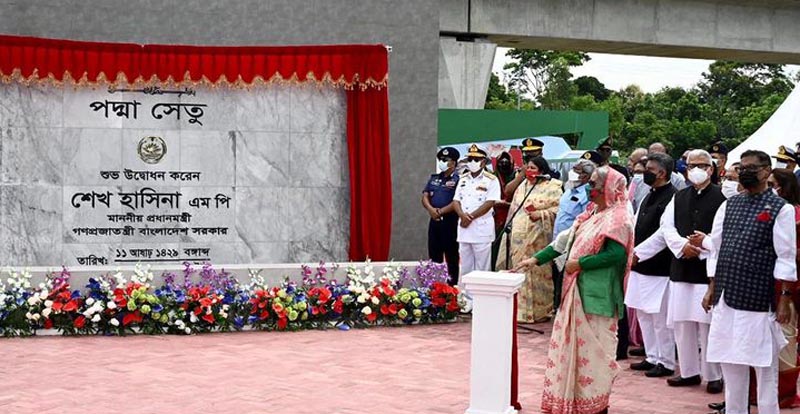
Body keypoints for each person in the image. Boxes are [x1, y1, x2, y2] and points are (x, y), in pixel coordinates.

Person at [514, 166, 633, 414]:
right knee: (575, 356)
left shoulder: (618, 218)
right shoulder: (590, 213)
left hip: (598, 296)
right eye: (589, 184)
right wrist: (535, 260)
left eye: (594, 185)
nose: (590, 189)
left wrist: (581, 263)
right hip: (576, 290)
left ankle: (596, 407)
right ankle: (575, 404)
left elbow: (617, 254)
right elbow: (563, 242)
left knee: (595, 359)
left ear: (609, 188)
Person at [703, 150, 797, 414]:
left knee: (764, 368)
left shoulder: (782, 208)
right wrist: (712, 287)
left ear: (767, 171)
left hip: (758, 299)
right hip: (726, 295)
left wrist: (784, 299)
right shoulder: (729, 204)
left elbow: (786, 257)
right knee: (730, 364)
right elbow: (717, 249)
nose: (744, 172)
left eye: (750, 168)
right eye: (741, 167)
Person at [647, 150, 725, 393]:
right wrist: (683, 247)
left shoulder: (722, 197)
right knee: (682, 323)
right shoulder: (679, 196)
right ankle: (689, 371)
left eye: (702, 165)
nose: (696, 169)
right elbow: (666, 228)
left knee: (707, 326)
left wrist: (702, 248)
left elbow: (723, 234)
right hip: (681, 265)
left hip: (707, 269)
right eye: (692, 165)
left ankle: (713, 375)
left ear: (711, 169)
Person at [626, 153, 677, 378]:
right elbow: (637, 222)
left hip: (658, 264)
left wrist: (640, 253)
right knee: (643, 313)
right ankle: (652, 355)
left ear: (662, 172)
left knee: (659, 317)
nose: (645, 171)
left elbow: (663, 233)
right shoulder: (648, 194)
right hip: (638, 263)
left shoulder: (673, 197)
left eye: (649, 168)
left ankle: (665, 361)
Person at [496, 156, 563, 323]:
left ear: (542, 170)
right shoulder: (522, 186)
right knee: (519, 270)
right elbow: (514, 210)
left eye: (533, 168)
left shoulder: (553, 186)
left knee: (537, 273)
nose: (530, 171)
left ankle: (541, 311)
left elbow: (558, 210)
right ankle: (520, 312)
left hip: (539, 239)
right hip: (518, 238)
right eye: (528, 168)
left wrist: (540, 214)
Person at [549, 158, 594, 311]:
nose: (573, 173)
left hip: (573, 242)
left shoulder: (587, 194)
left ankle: (566, 308)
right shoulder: (568, 189)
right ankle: (557, 307)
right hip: (559, 240)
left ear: (586, 176)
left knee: (567, 277)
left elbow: (585, 219)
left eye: (578, 171)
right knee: (557, 275)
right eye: (573, 169)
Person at [453, 144, 501, 278]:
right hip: (464, 228)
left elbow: (490, 202)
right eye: (470, 159)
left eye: (476, 159)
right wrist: (462, 216)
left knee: (482, 268)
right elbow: (456, 200)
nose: (472, 162)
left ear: (484, 161)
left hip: (481, 228)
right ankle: (465, 297)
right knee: (465, 267)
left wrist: (470, 217)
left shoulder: (491, 180)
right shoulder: (463, 179)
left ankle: (482, 297)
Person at [422, 147, 461, 284]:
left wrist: (440, 211)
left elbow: (457, 201)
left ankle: (452, 286)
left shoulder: (458, 180)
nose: (442, 162)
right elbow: (425, 195)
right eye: (440, 160)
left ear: (454, 163)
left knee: (451, 256)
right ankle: (435, 285)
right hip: (434, 221)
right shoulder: (434, 178)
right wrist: (431, 210)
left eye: (445, 160)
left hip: (450, 221)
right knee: (434, 254)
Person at [491, 151, 516, 271]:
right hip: (494, 219)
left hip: (512, 217)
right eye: (501, 162)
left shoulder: (516, 177)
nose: (504, 164)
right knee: (494, 249)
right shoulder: (492, 177)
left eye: (507, 162)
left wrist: (509, 204)